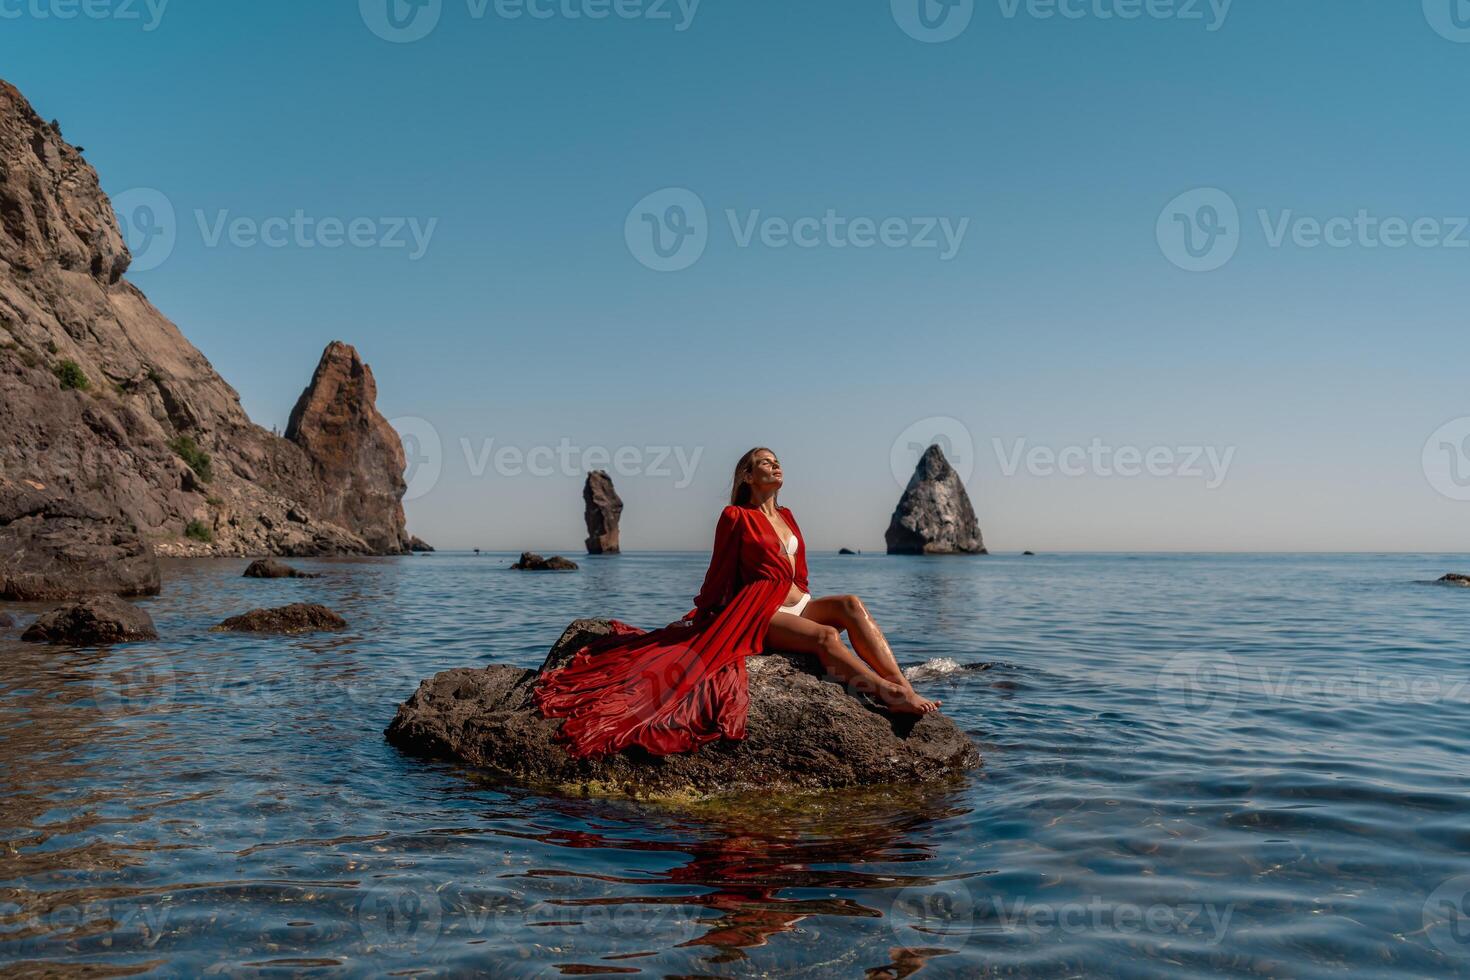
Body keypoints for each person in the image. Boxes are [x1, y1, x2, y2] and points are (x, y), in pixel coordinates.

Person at [534, 447, 940, 759]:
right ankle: (888, 694)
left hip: (795, 601)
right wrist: (704, 614)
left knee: (851, 604)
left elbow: (799, 570)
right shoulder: (734, 517)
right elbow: (719, 573)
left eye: (777, 461)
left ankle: (903, 684)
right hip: (758, 611)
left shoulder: (789, 515)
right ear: (747, 475)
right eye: (765, 462)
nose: (775, 466)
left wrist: (801, 592)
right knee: (824, 637)